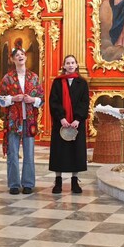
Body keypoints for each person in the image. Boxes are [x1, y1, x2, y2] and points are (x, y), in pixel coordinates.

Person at [0, 47, 44, 195]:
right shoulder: (7, 78)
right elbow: (0, 99)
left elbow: (42, 99)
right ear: (12, 59)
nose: (20, 57)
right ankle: (14, 184)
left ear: (25, 57)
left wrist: (32, 100)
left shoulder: (34, 77)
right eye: (16, 55)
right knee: (13, 153)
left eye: (22, 54)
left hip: (29, 120)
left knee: (29, 153)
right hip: (13, 120)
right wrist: (12, 99)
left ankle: (28, 183)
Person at [49, 55, 89, 194]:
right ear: (64, 66)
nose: (70, 65)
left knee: (75, 152)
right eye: (68, 63)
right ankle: (58, 181)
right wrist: (62, 118)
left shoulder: (82, 83)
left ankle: (74, 181)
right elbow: (53, 102)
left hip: (76, 124)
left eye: (73, 63)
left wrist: (77, 119)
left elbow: (84, 103)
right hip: (61, 124)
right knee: (59, 153)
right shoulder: (57, 83)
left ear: (76, 65)